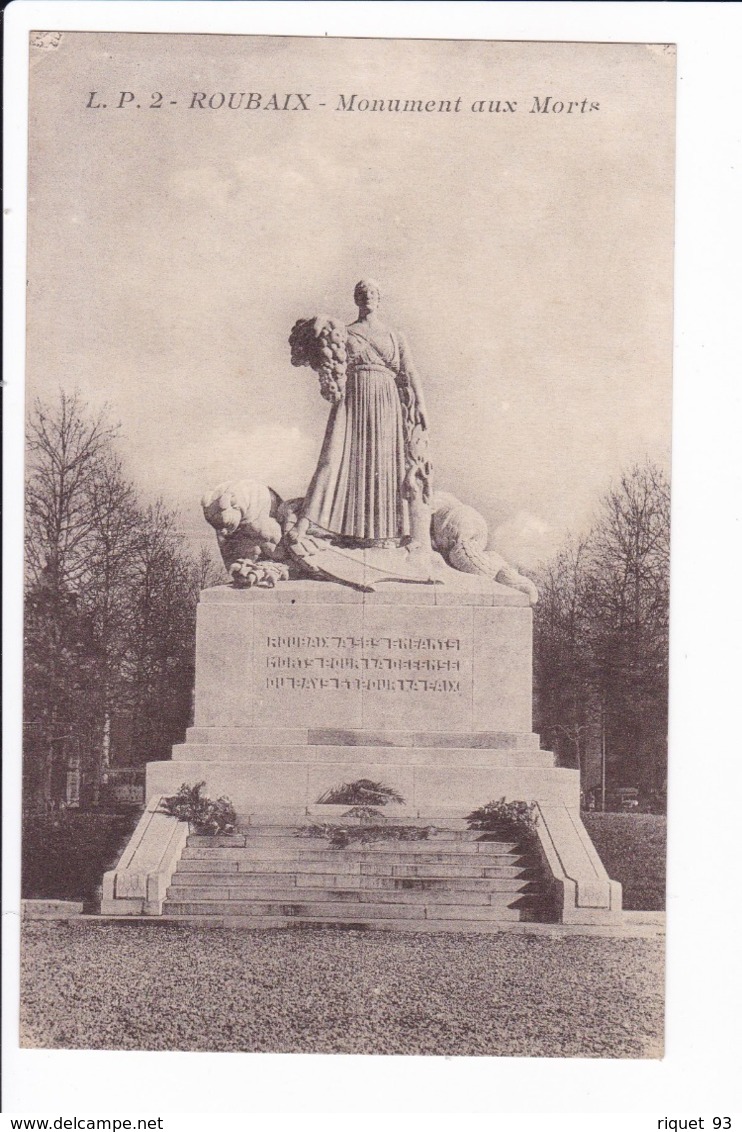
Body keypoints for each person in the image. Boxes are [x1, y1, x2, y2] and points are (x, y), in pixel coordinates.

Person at [291, 279, 431, 548]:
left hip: (387, 401)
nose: (367, 296)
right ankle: (310, 523)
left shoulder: (395, 336)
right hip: (352, 399)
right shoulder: (343, 331)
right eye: (361, 293)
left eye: (372, 293)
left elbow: (409, 371)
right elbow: (317, 344)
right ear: (356, 299)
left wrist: (421, 404)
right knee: (334, 457)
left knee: (386, 464)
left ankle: (386, 534)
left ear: (379, 299)